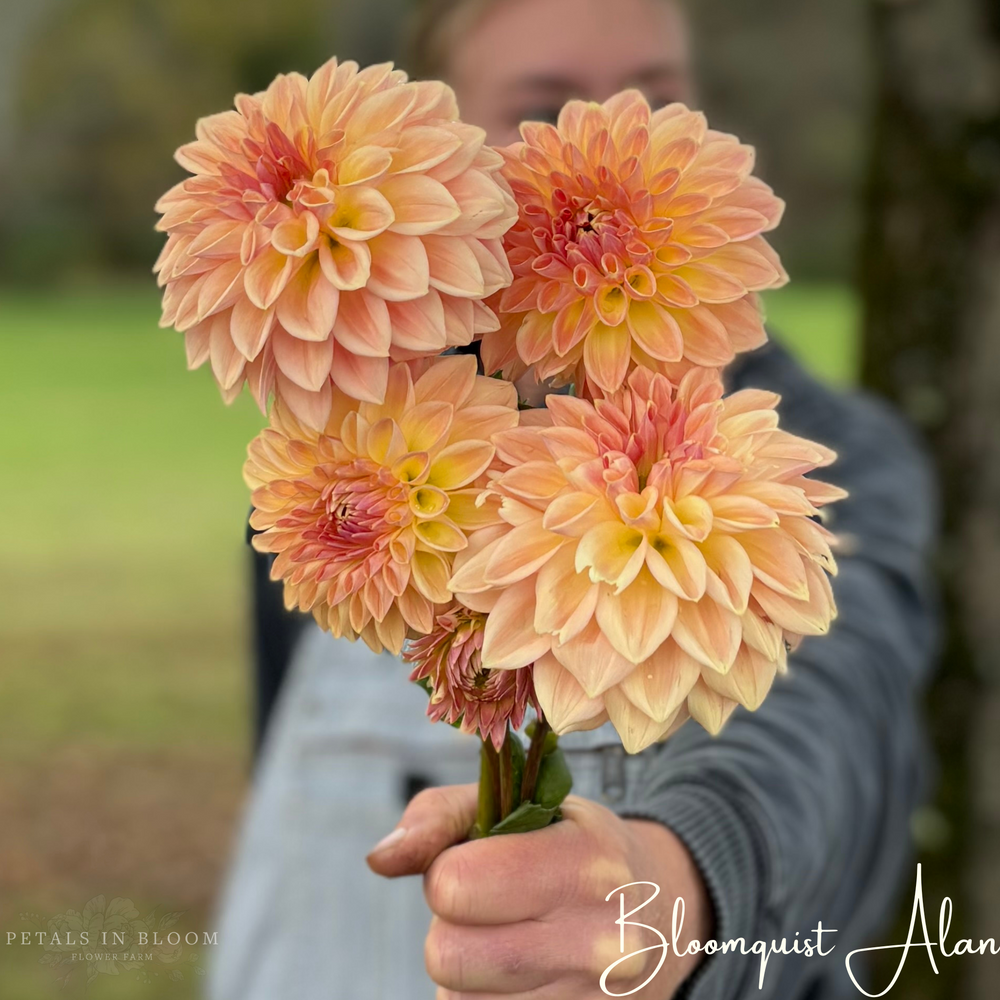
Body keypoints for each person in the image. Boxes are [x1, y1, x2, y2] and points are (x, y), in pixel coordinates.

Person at [211, 1, 939, 998]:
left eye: (660, 92)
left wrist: (669, 894)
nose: (610, 130)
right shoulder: (336, 458)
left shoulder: (832, 452)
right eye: (539, 104)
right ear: (441, 155)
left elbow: (833, 730)